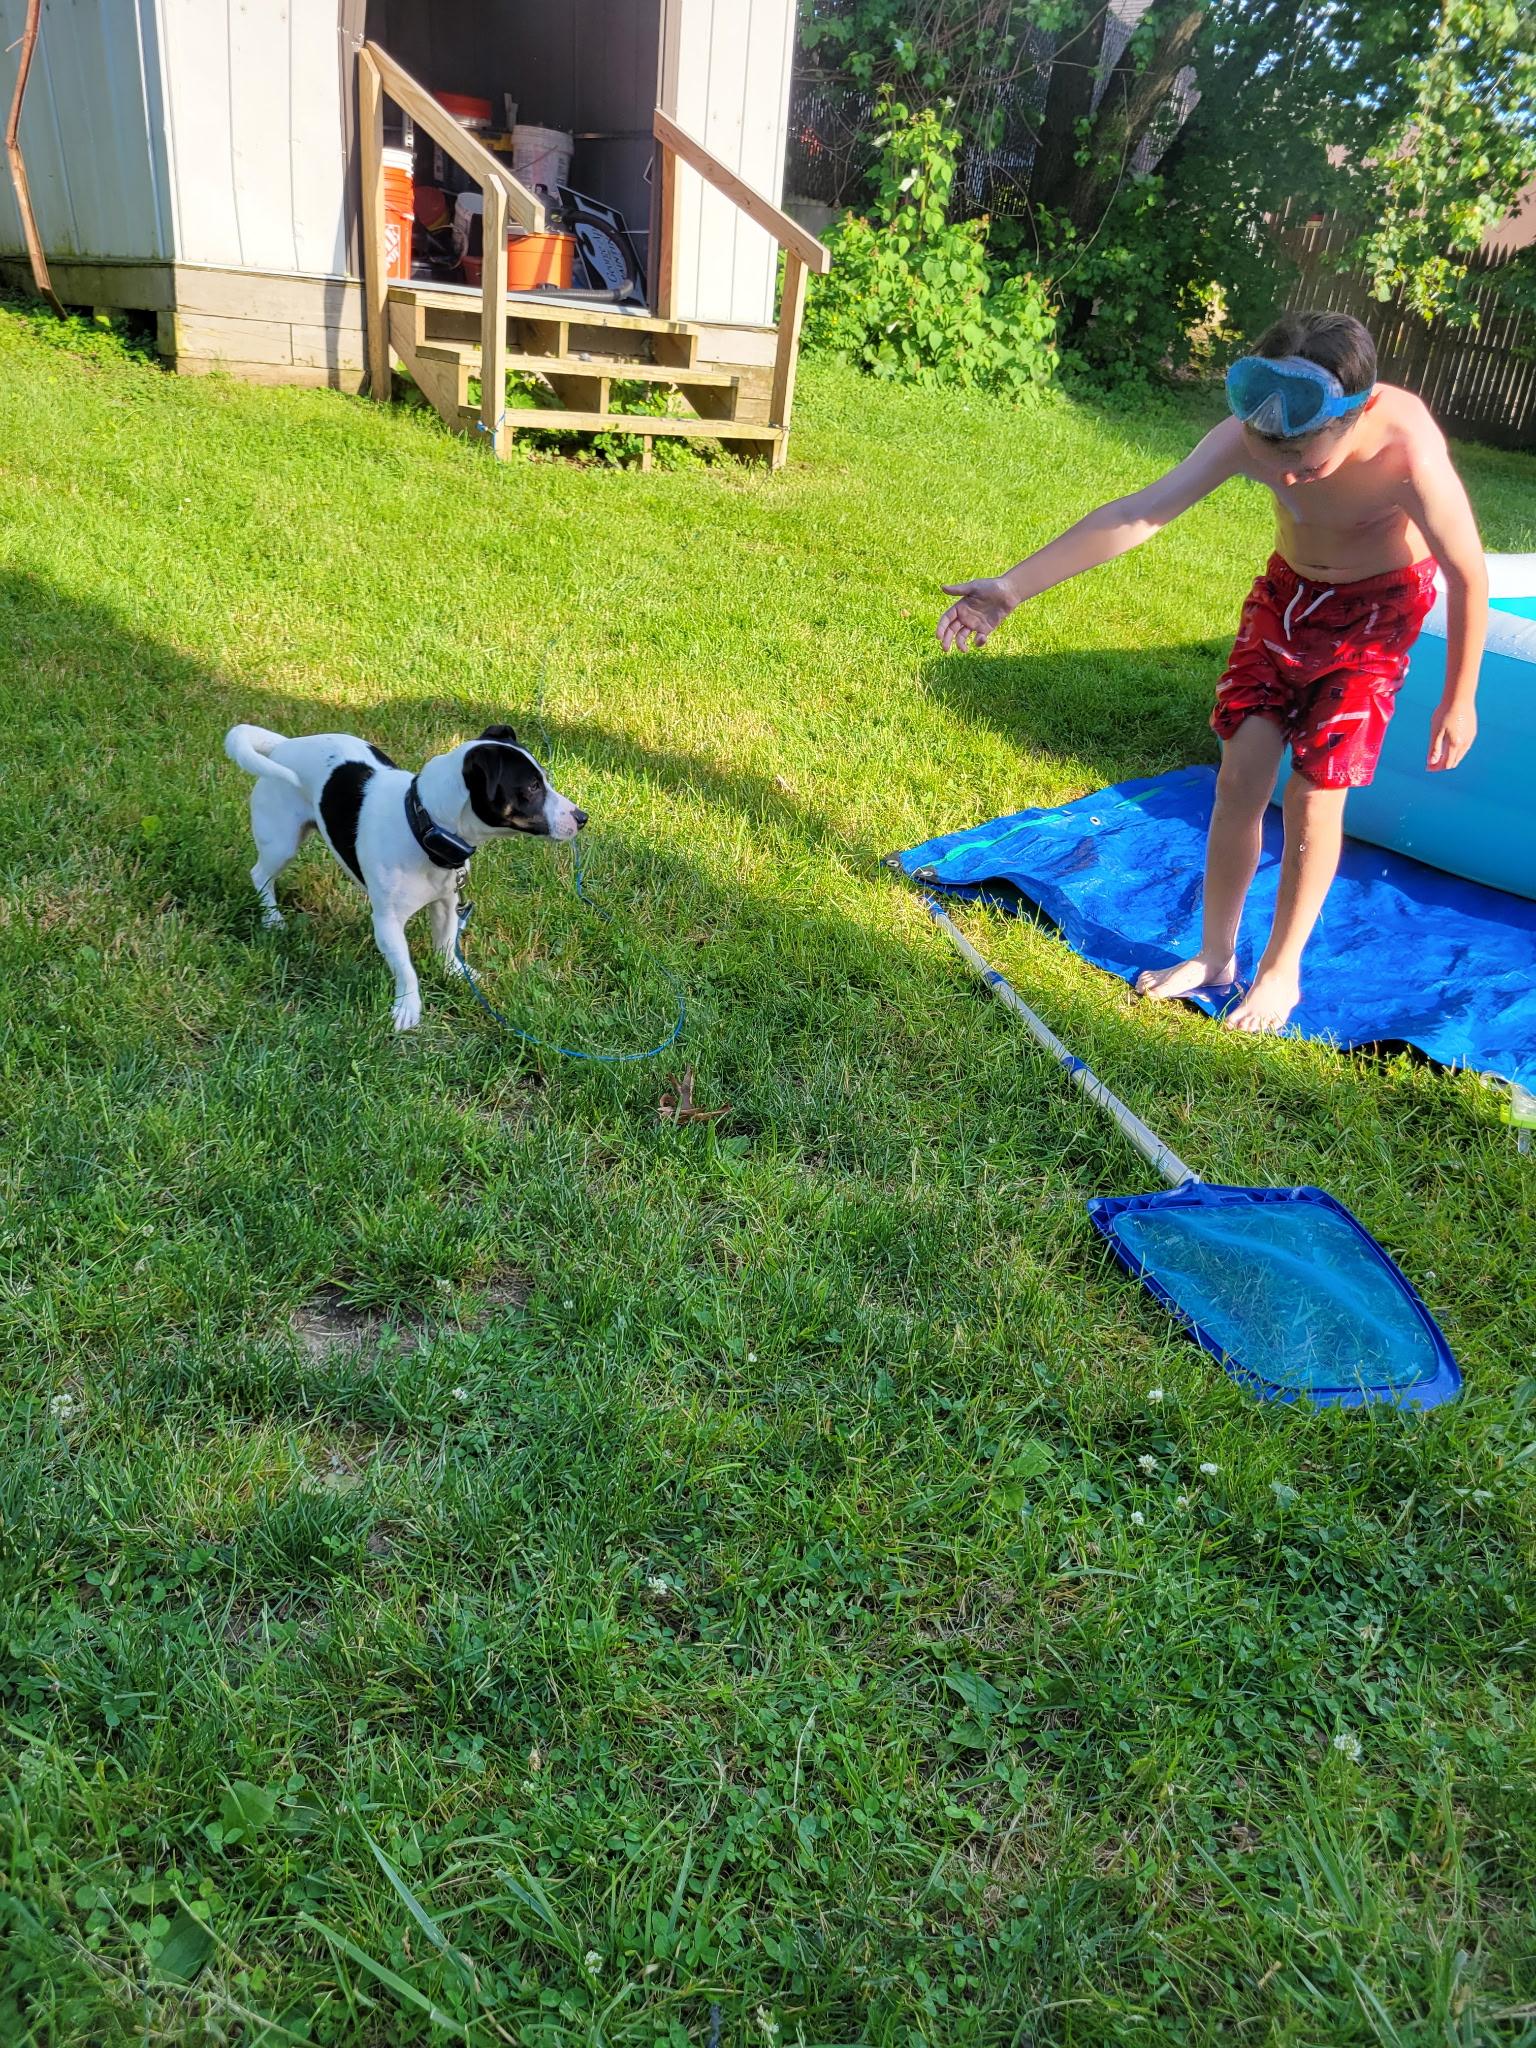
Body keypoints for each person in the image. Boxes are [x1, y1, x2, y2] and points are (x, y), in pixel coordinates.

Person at [935, 309, 1488, 1033]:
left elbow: (1468, 572)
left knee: (1315, 798)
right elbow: (1141, 513)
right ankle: (1216, 956)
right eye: (1270, 456)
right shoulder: (1252, 432)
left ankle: (1281, 971)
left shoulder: (1405, 450)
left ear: (1359, 415)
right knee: (1239, 777)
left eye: (1307, 463)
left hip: (1374, 621)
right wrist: (1013, 586)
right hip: (1286, 599)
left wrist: (1461, 697)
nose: (1285, 474)